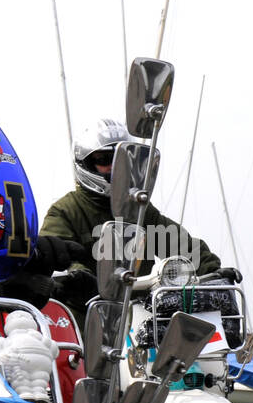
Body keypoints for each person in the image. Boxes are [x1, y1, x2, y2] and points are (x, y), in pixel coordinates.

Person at [37, 118, 224, 313]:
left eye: (120, 159)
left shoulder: (138, 209)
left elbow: (179, 243)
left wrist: (213, 271)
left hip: (139, 319)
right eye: (103, 160)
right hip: (86, 319)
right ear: (85, 164)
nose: (113, 166)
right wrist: (78, 277)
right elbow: (53, 256)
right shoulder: (65, 211)